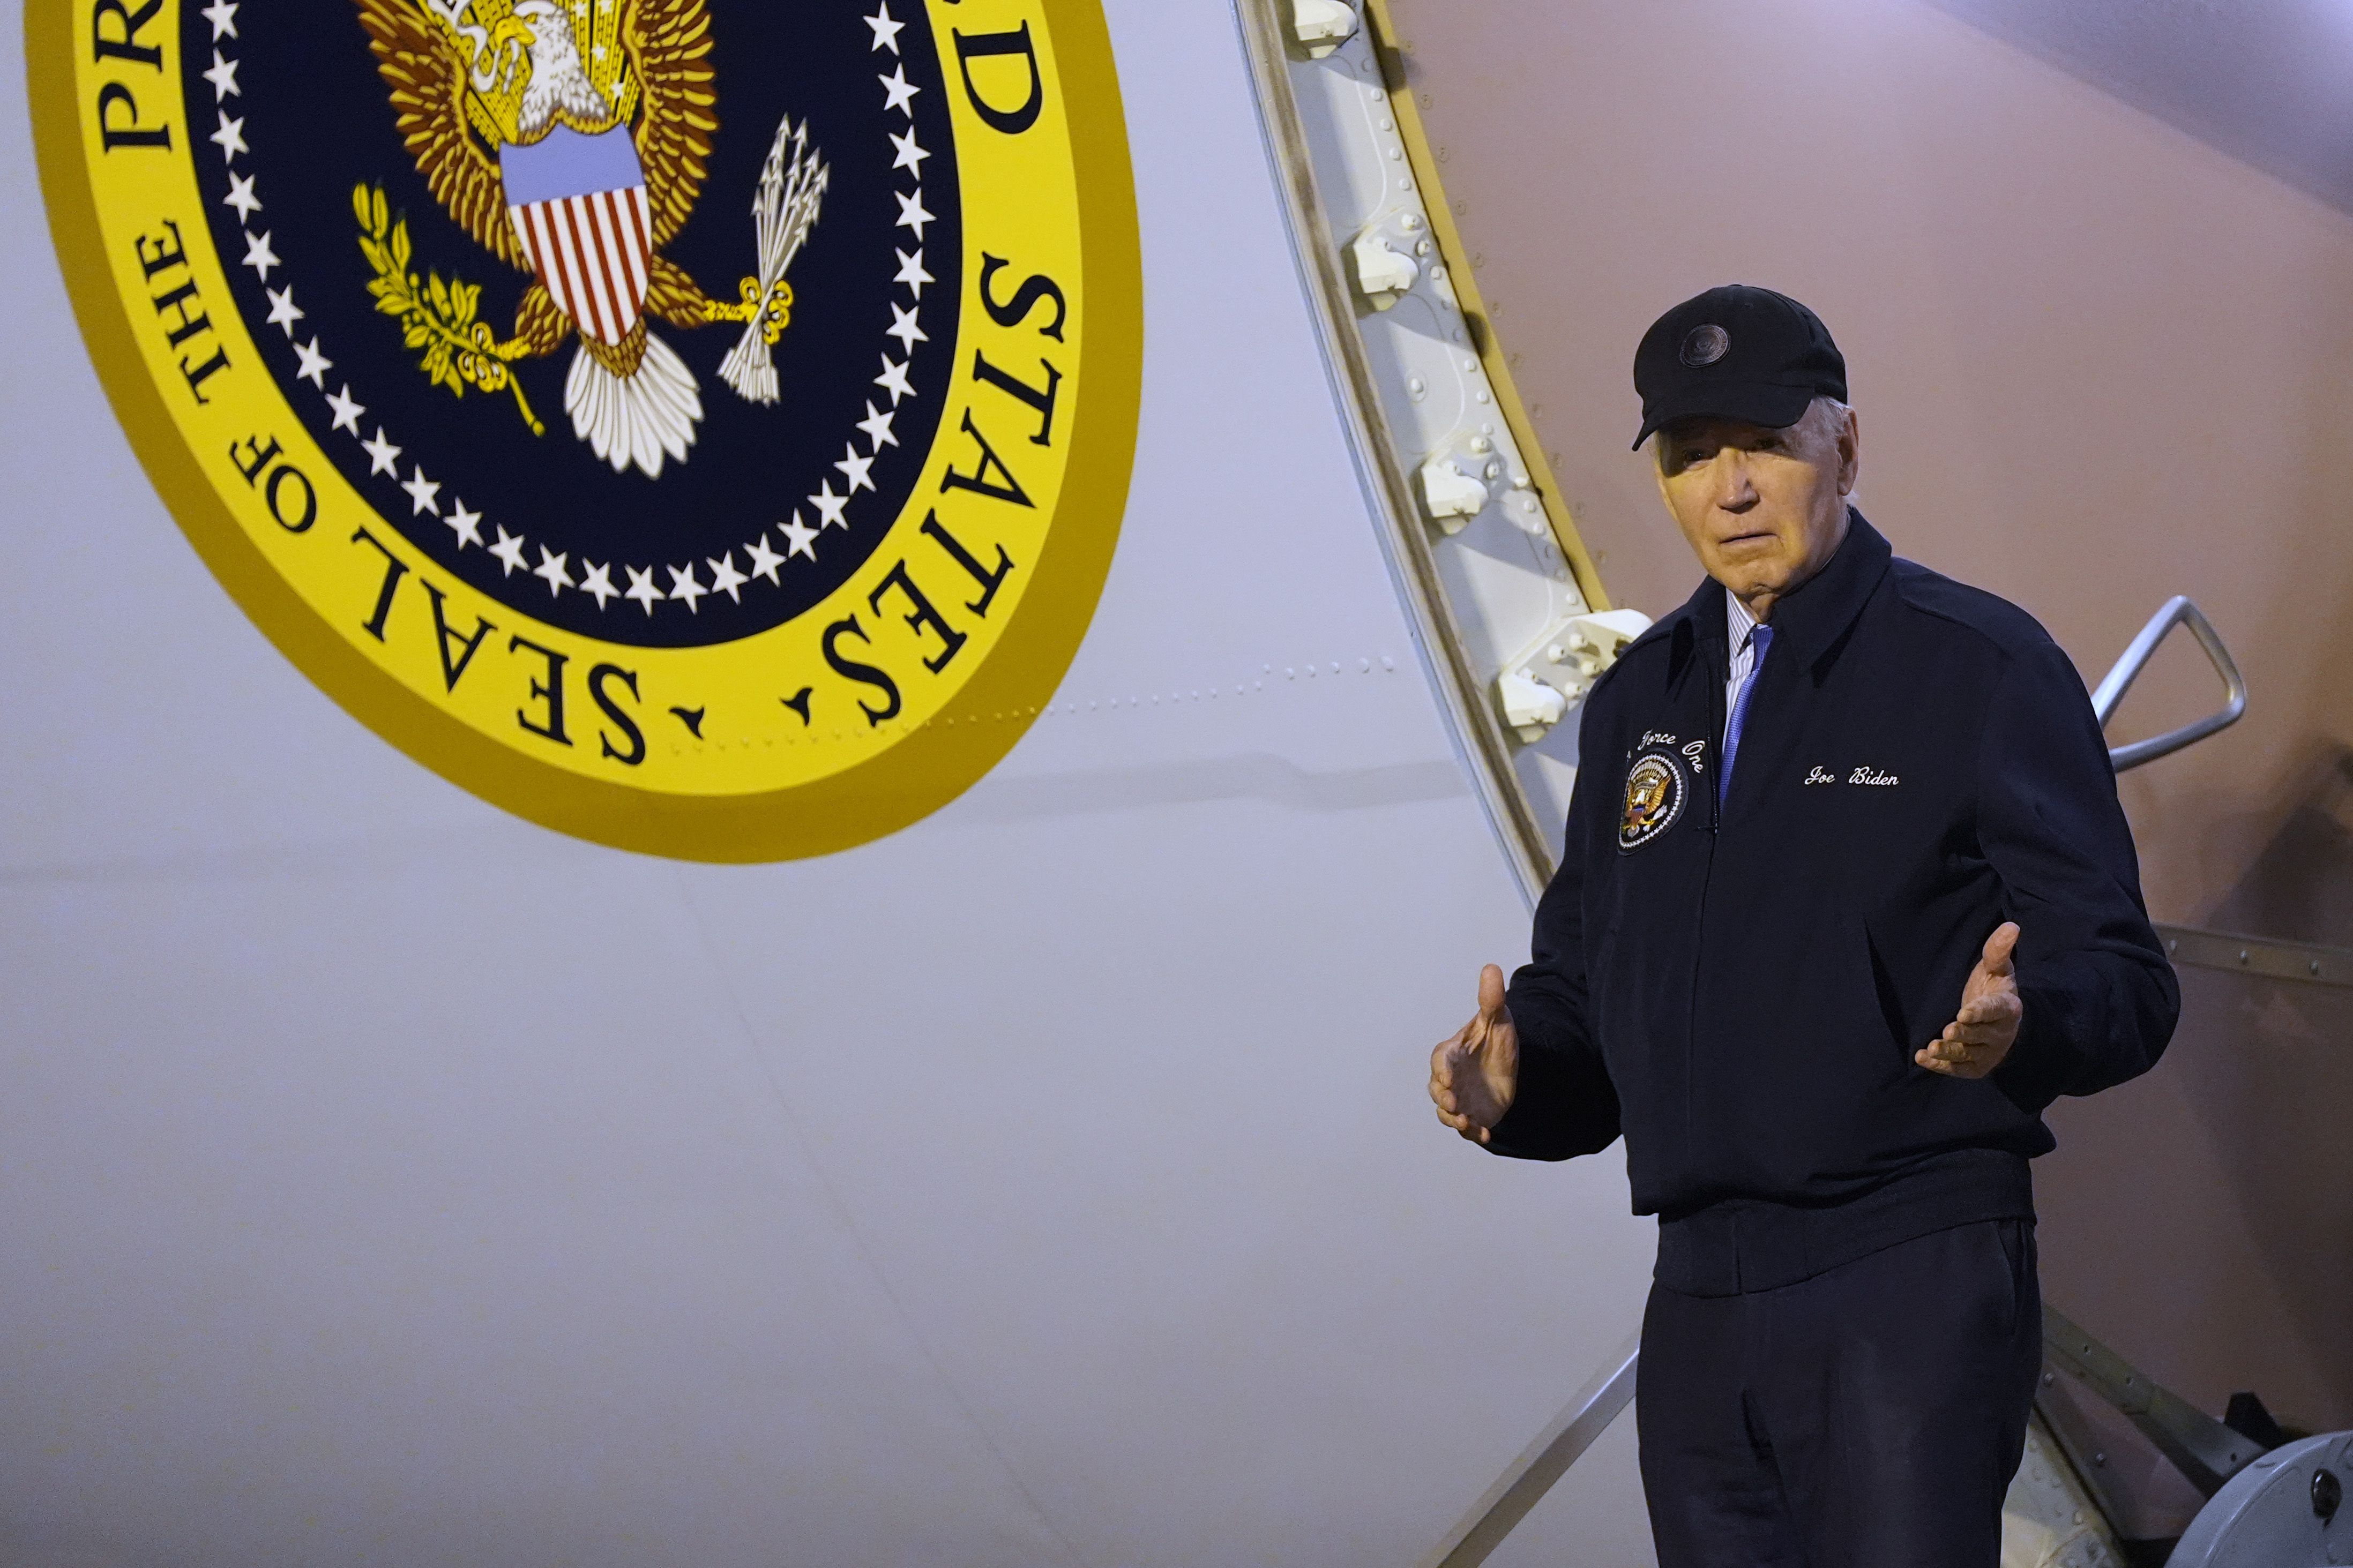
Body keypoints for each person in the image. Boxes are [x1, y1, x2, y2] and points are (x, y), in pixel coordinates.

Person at [1427, 284, 2178, 1567]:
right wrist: (1516, 1083)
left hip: (1907, 1269)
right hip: (1700, 1295)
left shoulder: (1975, 666)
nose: (1729, 489)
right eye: (1689, 455)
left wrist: (2025, 1025)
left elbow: (2124, 978)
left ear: (1844, 444)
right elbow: (1587, 990)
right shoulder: (1635, 703)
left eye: (1763, 444)